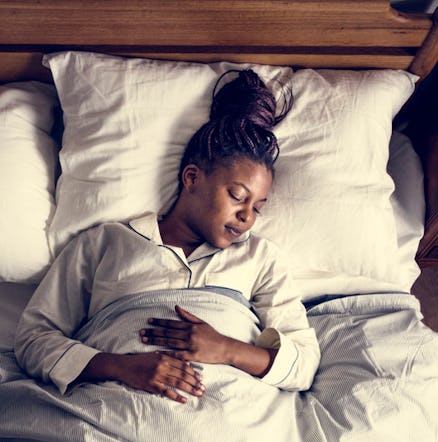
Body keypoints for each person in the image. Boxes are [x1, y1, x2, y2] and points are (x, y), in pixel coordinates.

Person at [15, 70, 320, 403]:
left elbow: (303, 364)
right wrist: (121, 366)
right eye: (237, 195)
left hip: (230, 421)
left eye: (257, 207)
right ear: (192, 178)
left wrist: (228, 349)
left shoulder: (260, 258)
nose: (247, 216)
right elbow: (34, 339)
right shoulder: (106, 243)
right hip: (112, 410)